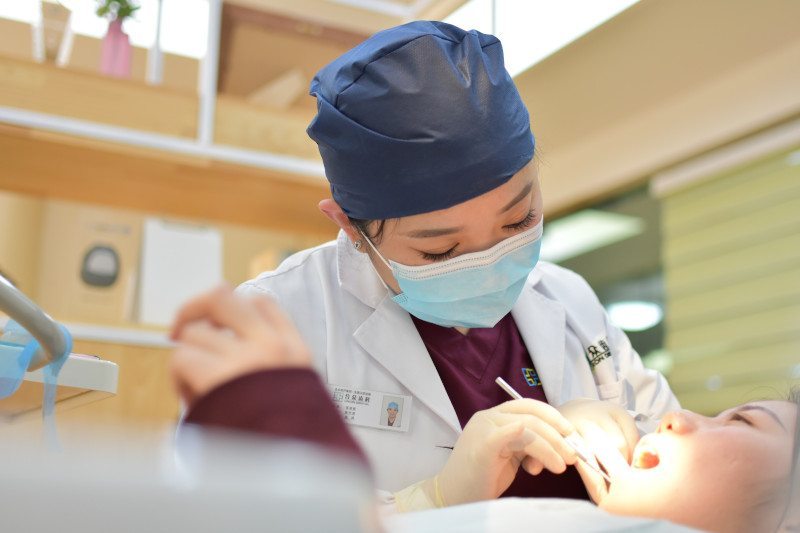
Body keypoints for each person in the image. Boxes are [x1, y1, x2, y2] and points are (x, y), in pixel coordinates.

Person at [234, 20, 680, 507]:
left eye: (518, 220)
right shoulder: (276, 324)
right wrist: (433, 500)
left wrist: (628, 438)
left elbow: (690, 472)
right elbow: (234, 512)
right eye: (440, 251)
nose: (490, 263)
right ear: (351, 229)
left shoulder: (571, 300)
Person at [170, 286, 799, 533]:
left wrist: (277, 410)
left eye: (742, 419)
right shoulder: (303, 299)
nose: (675, 417)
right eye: (440, 241)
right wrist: (436, 498)